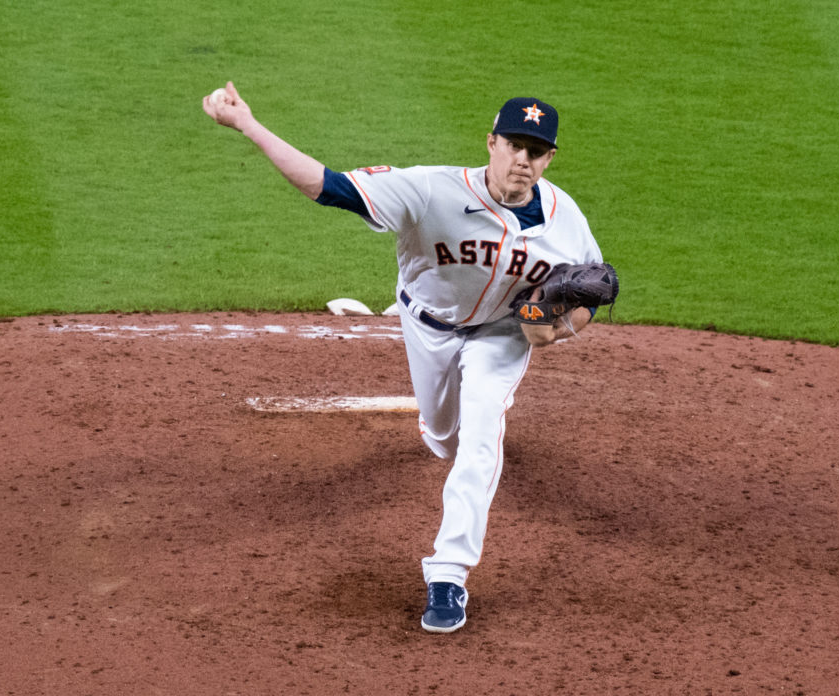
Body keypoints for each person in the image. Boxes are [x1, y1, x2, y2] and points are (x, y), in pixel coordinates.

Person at [203, 83, 606, 633]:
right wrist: (248, 124)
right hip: (428, 326)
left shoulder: (566, 220)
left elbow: (591, 291)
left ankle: (449, 575)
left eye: (535, 151)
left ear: (549, 158)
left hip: (501, 337)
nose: (522, 160)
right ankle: (437, 430)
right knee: (444, 437)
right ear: (490, 143)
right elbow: (328, 187)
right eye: (513, 145)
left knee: (482, 432)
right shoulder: (430, 190)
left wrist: (556, 332)